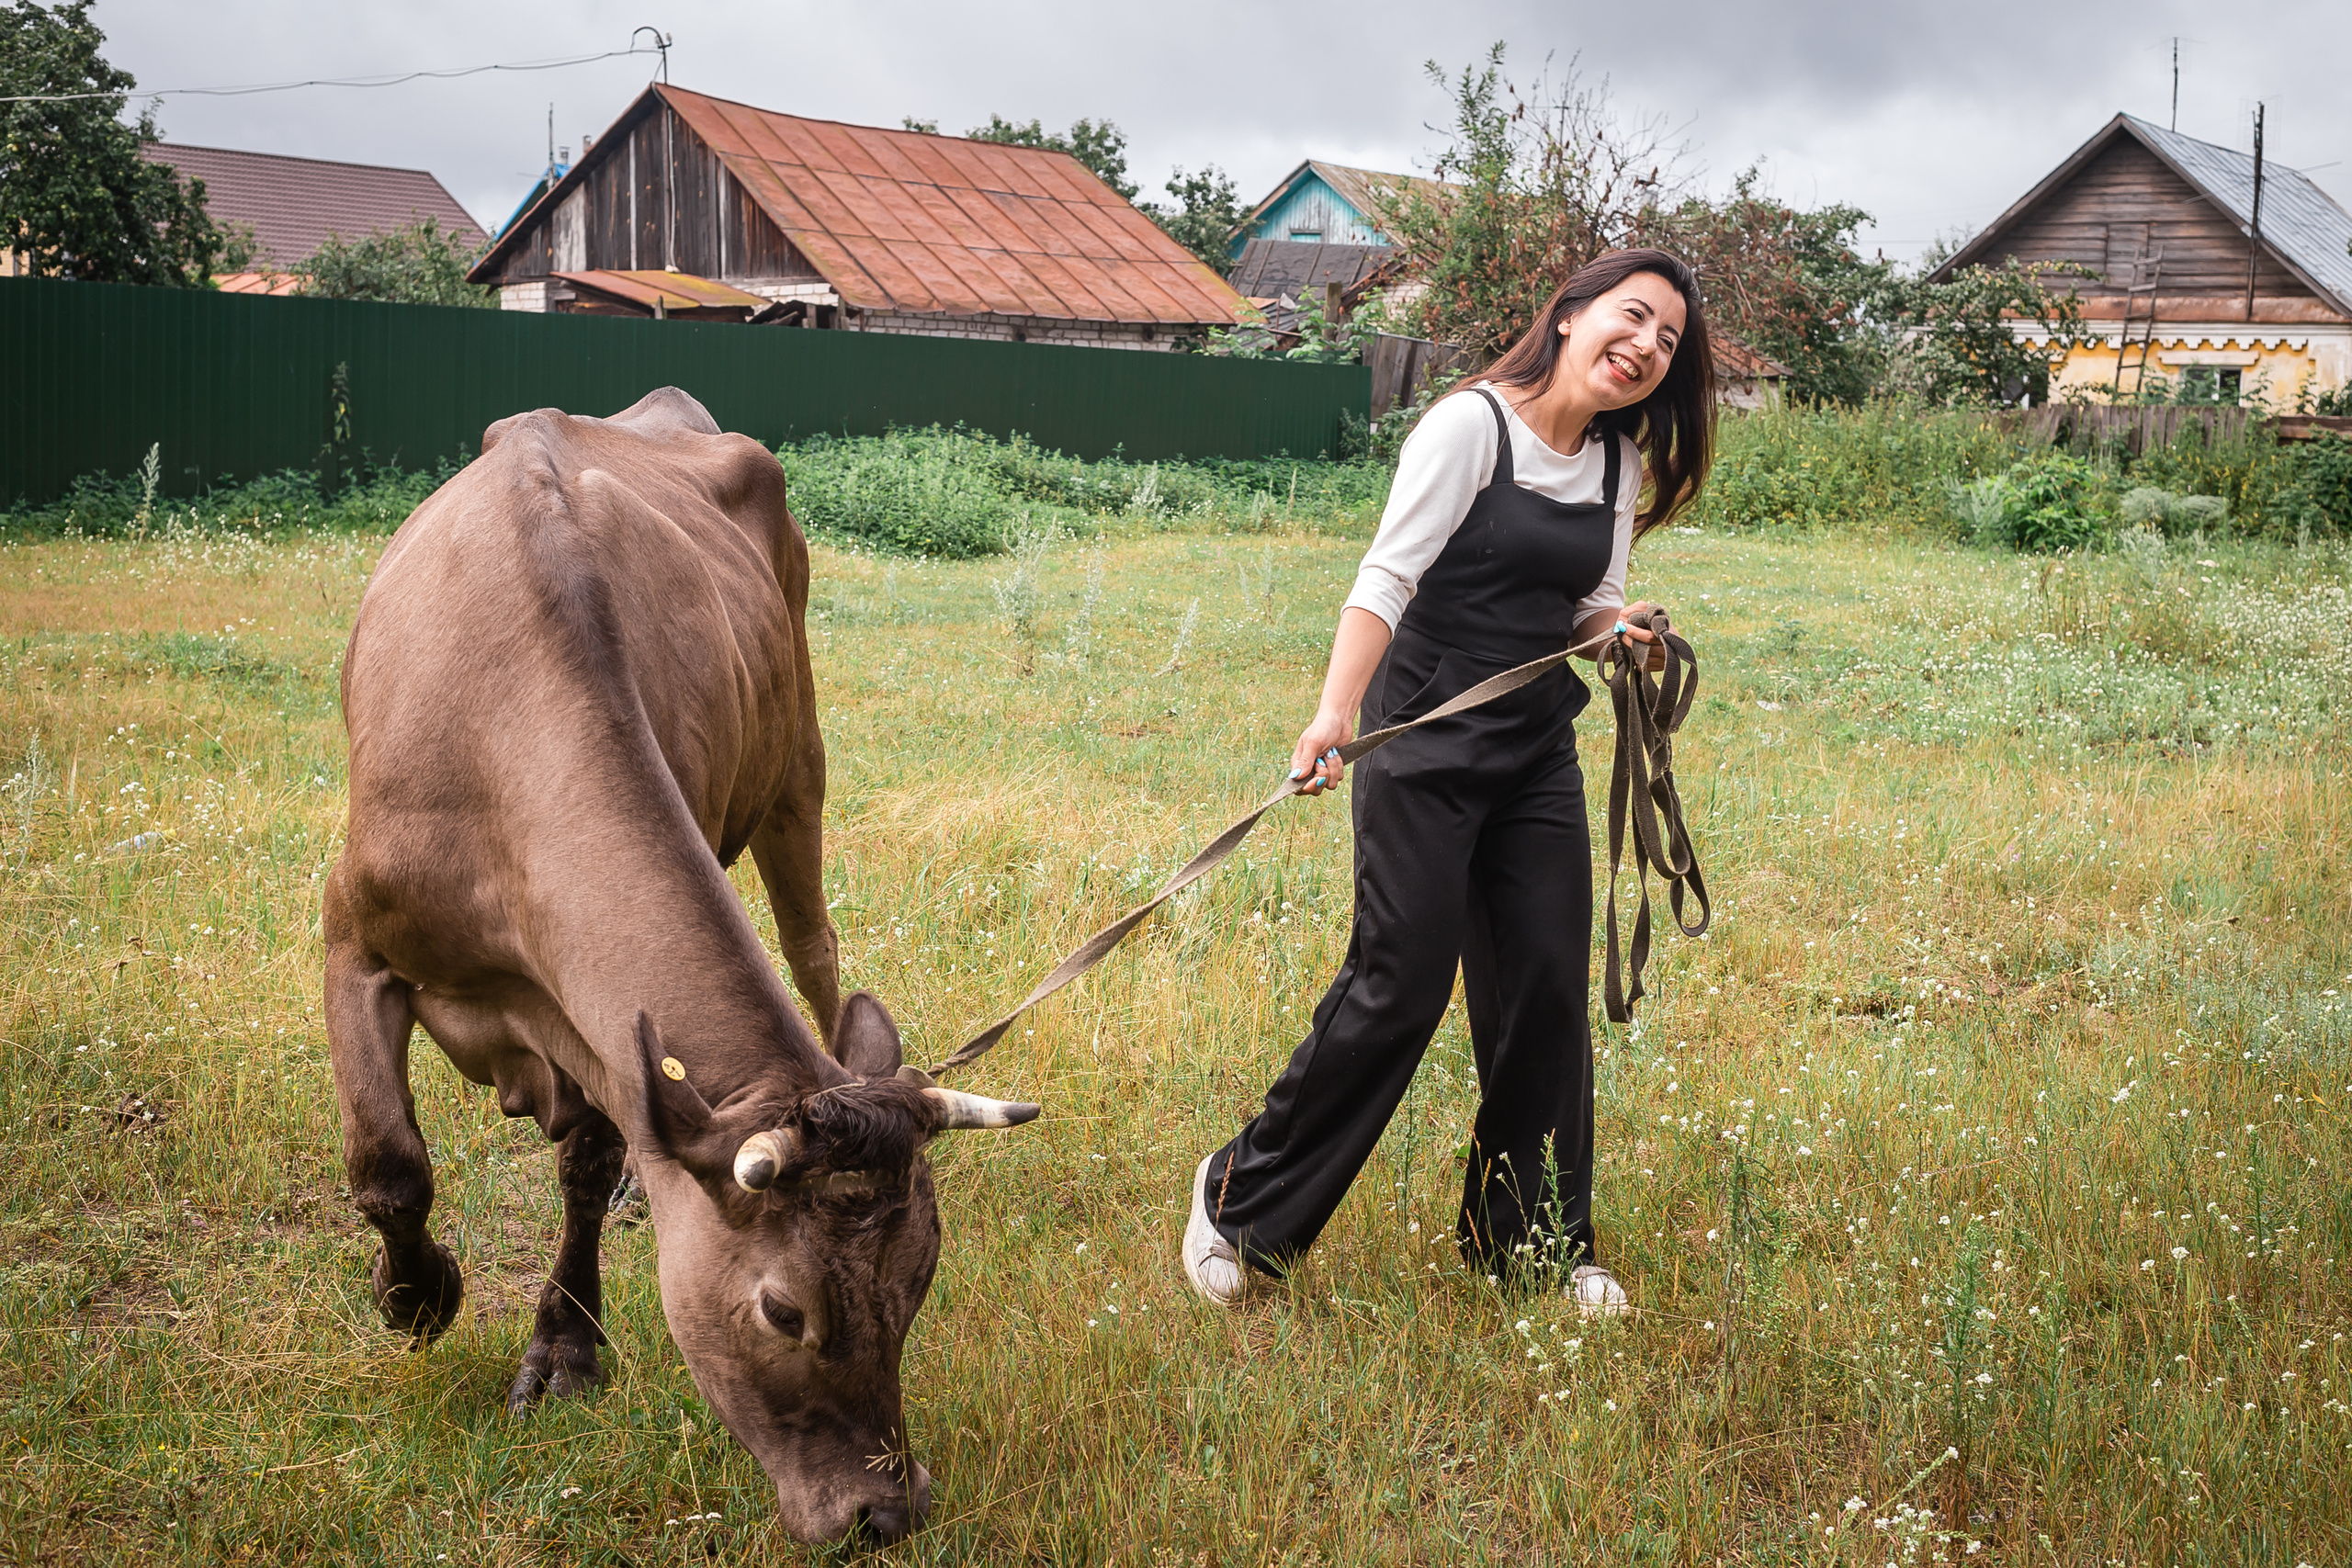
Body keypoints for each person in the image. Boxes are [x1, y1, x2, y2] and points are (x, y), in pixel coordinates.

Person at [1182, 248, 1716, 1314]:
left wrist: (1625, 635)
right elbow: (1388, 573)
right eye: (1634, 317)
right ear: (1569, 314)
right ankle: (1239, 1200)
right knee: (1402, 981)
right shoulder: (1471, 424)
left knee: (1547, 989)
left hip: (1533, 753)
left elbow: (1585, 605)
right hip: (1421, 742)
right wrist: (1334, 715)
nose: (1648, 348)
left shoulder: (1615, 464)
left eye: (1668, 340)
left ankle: (1531, 1241)